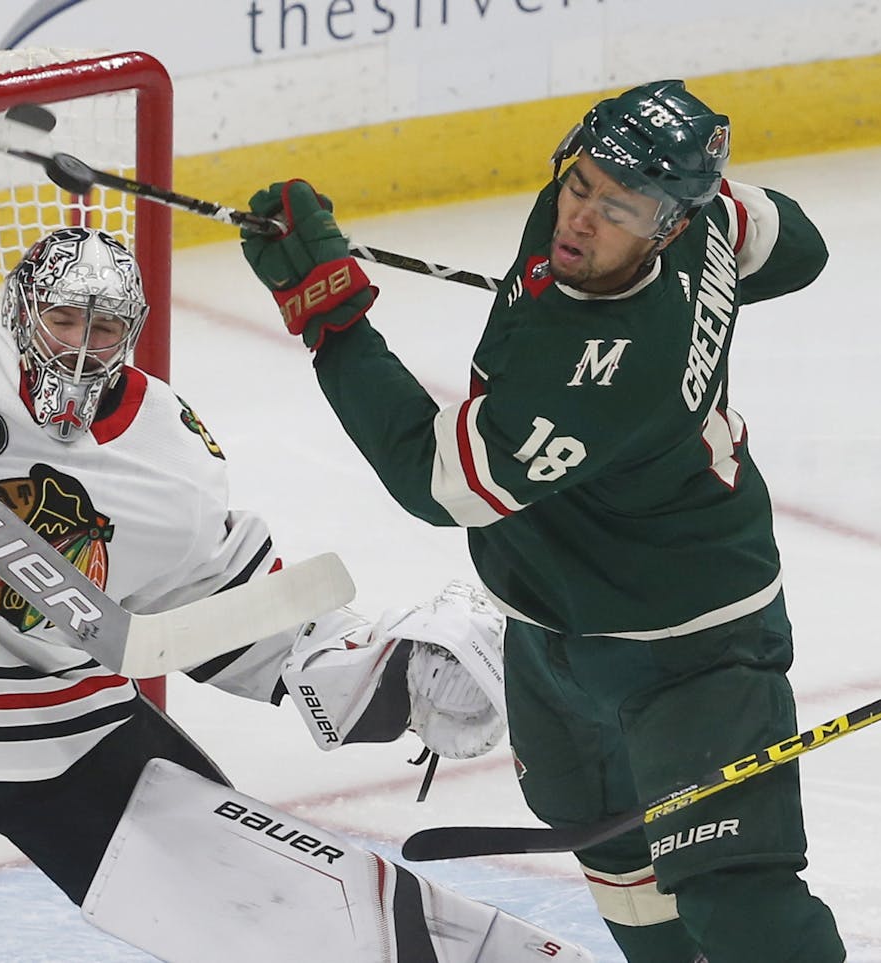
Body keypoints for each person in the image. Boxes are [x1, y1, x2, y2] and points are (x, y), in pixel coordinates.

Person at [0, 221, 588, 963]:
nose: (82, 347)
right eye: (64, 319)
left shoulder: (168, 453)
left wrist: (373, 667)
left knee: (284, 915)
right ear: (21, 311)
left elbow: (219, 603)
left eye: (106, 329)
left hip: (67, 740)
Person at [239, 79, 845, 962]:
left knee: (735, 898)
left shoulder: (612, 373)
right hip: (546, 622)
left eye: (620, 208)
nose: (581, 219)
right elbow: (799, 248)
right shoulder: (696, 219)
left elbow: (436, 481)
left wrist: (332, 319)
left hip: (688, 644)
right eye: (581, 184)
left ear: (669, 222)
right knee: (614, 852)